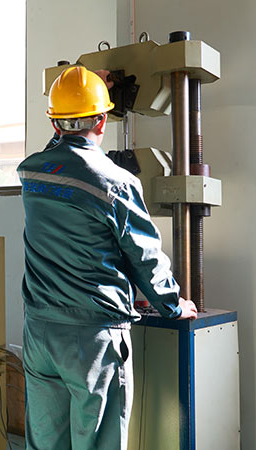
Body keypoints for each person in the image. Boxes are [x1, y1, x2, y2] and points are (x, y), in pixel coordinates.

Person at [17, 66, 198, 450]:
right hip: (92, 338)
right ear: (102, 120)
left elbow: (57, 154)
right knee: (98, 442)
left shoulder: (31, 173)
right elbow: (144, 255)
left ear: (54, 122)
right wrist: (172, 304)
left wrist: (73, 99)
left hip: (39, 332)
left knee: (45, 443)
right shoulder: (116, 182)